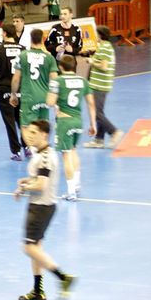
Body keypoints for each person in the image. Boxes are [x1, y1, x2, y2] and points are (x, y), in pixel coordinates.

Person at [13, 120, 76, 300]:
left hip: (41, 208)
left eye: (34, 132)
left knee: (29, 247)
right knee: (36, 249)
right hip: (41, 206)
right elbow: (39, 178)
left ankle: (63, 277)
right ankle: (38, 290)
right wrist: (26, 182)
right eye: (29, 132)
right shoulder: (42, 154)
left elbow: (41, 185)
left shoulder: (46, 156)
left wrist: (25, 188)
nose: (30, 136)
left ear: (44, 135)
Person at [45, 55, 97, 202]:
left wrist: (54, 101)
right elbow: (91, 103)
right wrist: (93, 124)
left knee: (66, 155)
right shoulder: (83, 81)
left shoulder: (57, 81)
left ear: (61, 67)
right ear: (74, 66)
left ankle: (71, 191)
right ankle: (77, 184)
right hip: (78, 121)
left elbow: (49, 102)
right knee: (74, 151)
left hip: (64, 122)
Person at [10, 29, 59, 157]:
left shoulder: (23, 56)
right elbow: (54, 79)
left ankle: (33, 151)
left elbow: (16, 79)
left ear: (30, 39)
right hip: (44, 97)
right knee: (43, 127)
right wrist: (54, 97)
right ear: (42, 39)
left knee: (25, 126)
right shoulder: (49, 57)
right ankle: (44, 151)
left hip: (29, 97)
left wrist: (13, 94)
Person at [0, 23, 26, 160]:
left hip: (4, 87)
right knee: (21, 119)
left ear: (4, 33)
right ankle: (27, 147)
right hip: (21, 87)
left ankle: (16, 151)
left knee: (9, 120)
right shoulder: (23, 49)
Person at [84, 26, 124, 149]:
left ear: (100, 35)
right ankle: (99, 140)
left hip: (100, 85)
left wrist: (91, 62)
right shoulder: (103, 47)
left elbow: (104, 66)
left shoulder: (105, 47)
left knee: (96, 113)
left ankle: (114, 132)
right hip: (98, 83)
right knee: (99, 112)